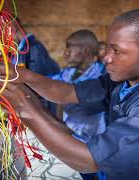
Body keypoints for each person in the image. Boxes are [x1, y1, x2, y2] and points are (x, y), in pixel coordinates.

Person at [0, 8, 139, 180]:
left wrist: (24, 107)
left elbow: (89, 160)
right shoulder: (123, 79)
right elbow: (68, 92)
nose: (106, 57)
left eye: (117, 51)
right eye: (107, 47)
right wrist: (23, 75)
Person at [48, 29, 107, 180]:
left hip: (93, 148)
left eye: (70, 47)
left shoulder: (102, 76)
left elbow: (89, 107)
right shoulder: (68, 72)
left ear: (85, 51)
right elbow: (49, 83)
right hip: (70, 142)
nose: (65, 53)